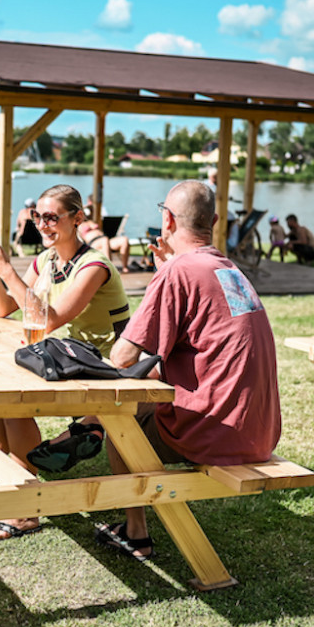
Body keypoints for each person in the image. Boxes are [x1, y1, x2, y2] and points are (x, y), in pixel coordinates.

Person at [93, 179, 281, 560]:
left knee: (120, 421)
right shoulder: (228, 268)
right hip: (259, 433)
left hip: (214, 434)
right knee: (148, 391)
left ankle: (136, 533)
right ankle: (80, 431)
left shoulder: (178, 271)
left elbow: (122, 357)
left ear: (167, 220)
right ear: (214, 222)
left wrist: (162, 277)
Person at [0, 184, 130, 541]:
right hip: (69, 357)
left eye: (51, 217)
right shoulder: (47, 261)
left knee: (12, 400)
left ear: (77, 218)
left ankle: (25, 511)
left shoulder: (94, 266)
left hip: (105, 368)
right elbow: (4, 308)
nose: (42, 225)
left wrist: (7, 270)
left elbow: (47, 319)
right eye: (37, 217)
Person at [79, 197, 131, 273]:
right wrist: (85, 206)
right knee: (104, 240)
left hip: (105, 239)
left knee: (124, 239)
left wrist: (91, 208)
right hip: (93, 243)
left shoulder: (92, 221)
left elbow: (94, 210)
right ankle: (110, 267)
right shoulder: (79, 225)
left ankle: (124, 267)